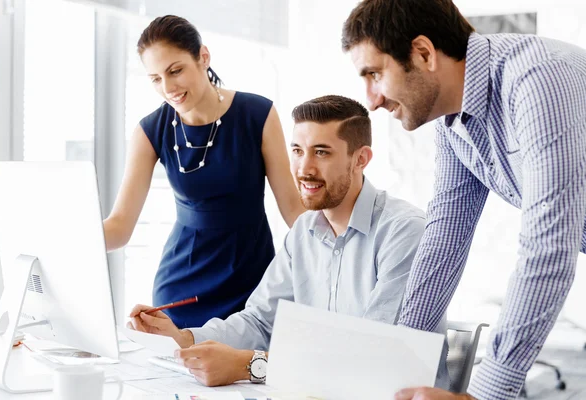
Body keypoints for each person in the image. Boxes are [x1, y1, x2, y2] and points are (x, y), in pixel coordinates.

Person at [342, 0, 586, 399]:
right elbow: (445, 238)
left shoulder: (538, 80)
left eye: (375, 74)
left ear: (423, 53)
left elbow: (549, 247)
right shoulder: (453, 124)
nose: (371, 99)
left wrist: (483, 395)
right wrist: (398, 365)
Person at [128, 95, 449, 389]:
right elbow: (260, 320)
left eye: (321, 152)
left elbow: (372, 357)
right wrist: (183, 338)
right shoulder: (304, 231)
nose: (304, 169)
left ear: (360, 159)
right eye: (297, 151)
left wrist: (248, 365)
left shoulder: (405, 232)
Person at [103, 15, 305, 329]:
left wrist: (341, 252)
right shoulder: (150, 131)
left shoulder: (258, 115)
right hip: (181, 290)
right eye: (155, 78)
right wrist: (61, 240)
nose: (168, 88)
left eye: (175, 71)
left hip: (251, 286)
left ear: (203, 57)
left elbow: (294, 210)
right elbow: (119, 227)